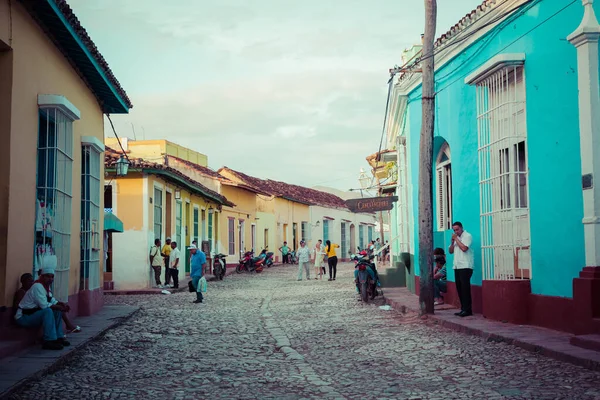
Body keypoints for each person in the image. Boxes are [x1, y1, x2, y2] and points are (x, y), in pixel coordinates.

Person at [14, 268, 70, 350]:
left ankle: (59, 337)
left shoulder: (46, 287)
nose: (50, 279)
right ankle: (49, 340)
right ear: (42, 277)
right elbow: (44, 305)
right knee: (47, 311)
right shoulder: (37, 286)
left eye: (52, 277)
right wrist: (60, 307)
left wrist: (60, 304)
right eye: (47, 276)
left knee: (57, 311)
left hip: (33, 315)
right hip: (23, 317)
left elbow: (51, 299)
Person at [449, 221, 474, 317]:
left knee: (465, 288)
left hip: (466, 266)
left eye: (457, 229)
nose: (456, 232)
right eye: (454, 230)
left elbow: (464, 248)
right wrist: (452, 242)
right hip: (457, 266)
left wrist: (456, 239)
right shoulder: (456, 238)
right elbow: (450, 251)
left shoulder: (467, 236)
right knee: (459, 288)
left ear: (461, 228)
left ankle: (468, 310)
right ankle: (463, 308)